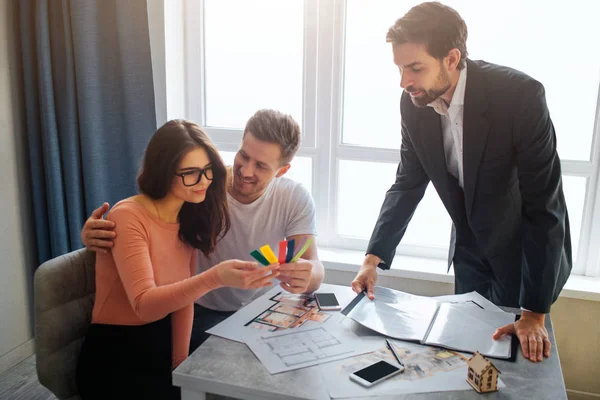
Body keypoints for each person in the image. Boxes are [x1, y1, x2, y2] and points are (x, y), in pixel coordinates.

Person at [350, 2, 571, 364]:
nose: (404, 81)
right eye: (400, 68)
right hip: (469, 250)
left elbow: (544, 206)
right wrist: (372, 259)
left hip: (524, 256)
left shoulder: (520, 98)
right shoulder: (414, 104)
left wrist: (534, 312)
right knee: (469, 358)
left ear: (451, 59)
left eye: (415, 68)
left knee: (518, 365)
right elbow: (407, 182)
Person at [80, 109, 325, 353]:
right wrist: (96, 232)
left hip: (263, 309)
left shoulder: (293, 197)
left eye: (261, 166)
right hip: (201, 309)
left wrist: (309, 275)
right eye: (243, 155)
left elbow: (312, 264)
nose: (246, 171)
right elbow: (148, 214)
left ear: (281, 171)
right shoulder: (204, 187)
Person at [76, 120, 279, 400]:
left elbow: (182, 302)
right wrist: (215, 277)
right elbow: (144, 305)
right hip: (116, 353)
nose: (204, 181)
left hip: (162, 342)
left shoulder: (188, 218)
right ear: (163, 172)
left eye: (208, 170)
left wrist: (182, 366)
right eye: (191, 173)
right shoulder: (129, 216)